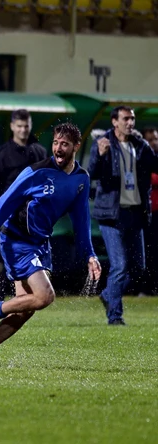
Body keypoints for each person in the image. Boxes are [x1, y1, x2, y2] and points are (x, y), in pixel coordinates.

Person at [0, 123, 101, 367]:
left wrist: (90, 255)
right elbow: (4, 202)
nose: (58, 149)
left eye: (65, 144)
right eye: (55, 143)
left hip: (40, 243)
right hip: (16, 240)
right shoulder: (36, 172)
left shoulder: (81, 179)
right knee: (44, 296)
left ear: (76, 147)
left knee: (24, 310)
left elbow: (82, 221)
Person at [88, 106, 158, 325]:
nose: (130, 122)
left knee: (138, 267)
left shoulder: (141, 145)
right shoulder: (103, 144)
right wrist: (100, 155)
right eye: (126, 118)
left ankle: (109, 294)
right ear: (114, 121)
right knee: (119, 266)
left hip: (135, 214)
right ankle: (115, 316)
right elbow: (93, 173)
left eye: (132, 119)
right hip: (111, 215)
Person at [0, 109, 47, 304]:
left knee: (32, 258)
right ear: (12, 127)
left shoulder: (40, 152)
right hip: (8, 217)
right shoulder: (2, 155)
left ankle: (24, 297)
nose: (23, 130)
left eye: (26, 126)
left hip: (33, 218)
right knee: (5, 259)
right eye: (19, 126)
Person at [140, 126, 158, 296]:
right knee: (149, 251)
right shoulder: (141, 159)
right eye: (150, 139)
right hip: (148, 213)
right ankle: (146, 287)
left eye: (156, 139)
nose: (154, 143)